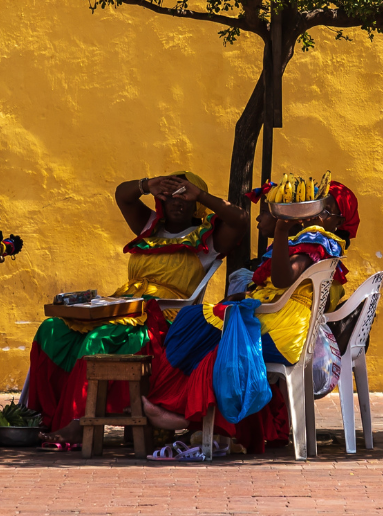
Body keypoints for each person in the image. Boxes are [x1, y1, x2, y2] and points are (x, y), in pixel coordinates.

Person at [28, 172, 248, 445]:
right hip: (123, 308)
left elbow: (240, 219)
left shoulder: (208, 238)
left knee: (98, 339)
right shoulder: (149, 227)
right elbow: (123, 195)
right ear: (161, 200)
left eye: (185, 197)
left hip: (164, 319)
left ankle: (78, 422)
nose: (177, 202)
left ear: (196, 204)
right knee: (52, 329)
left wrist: (201, 193)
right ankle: (42, 417)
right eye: (170, 196)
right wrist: (147, 185)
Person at [141, 179, 360, 454]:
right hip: (280, 323)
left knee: (194, 325)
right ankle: (184, 412)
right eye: (317, 207)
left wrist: (281, 230)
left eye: (325, 211)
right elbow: (281, 288)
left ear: (339, 222)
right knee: (195, 325)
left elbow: (282, 280)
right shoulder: (314, 242)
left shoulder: (317, 241)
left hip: (282, 331)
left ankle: (182, 413)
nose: (317, 216)